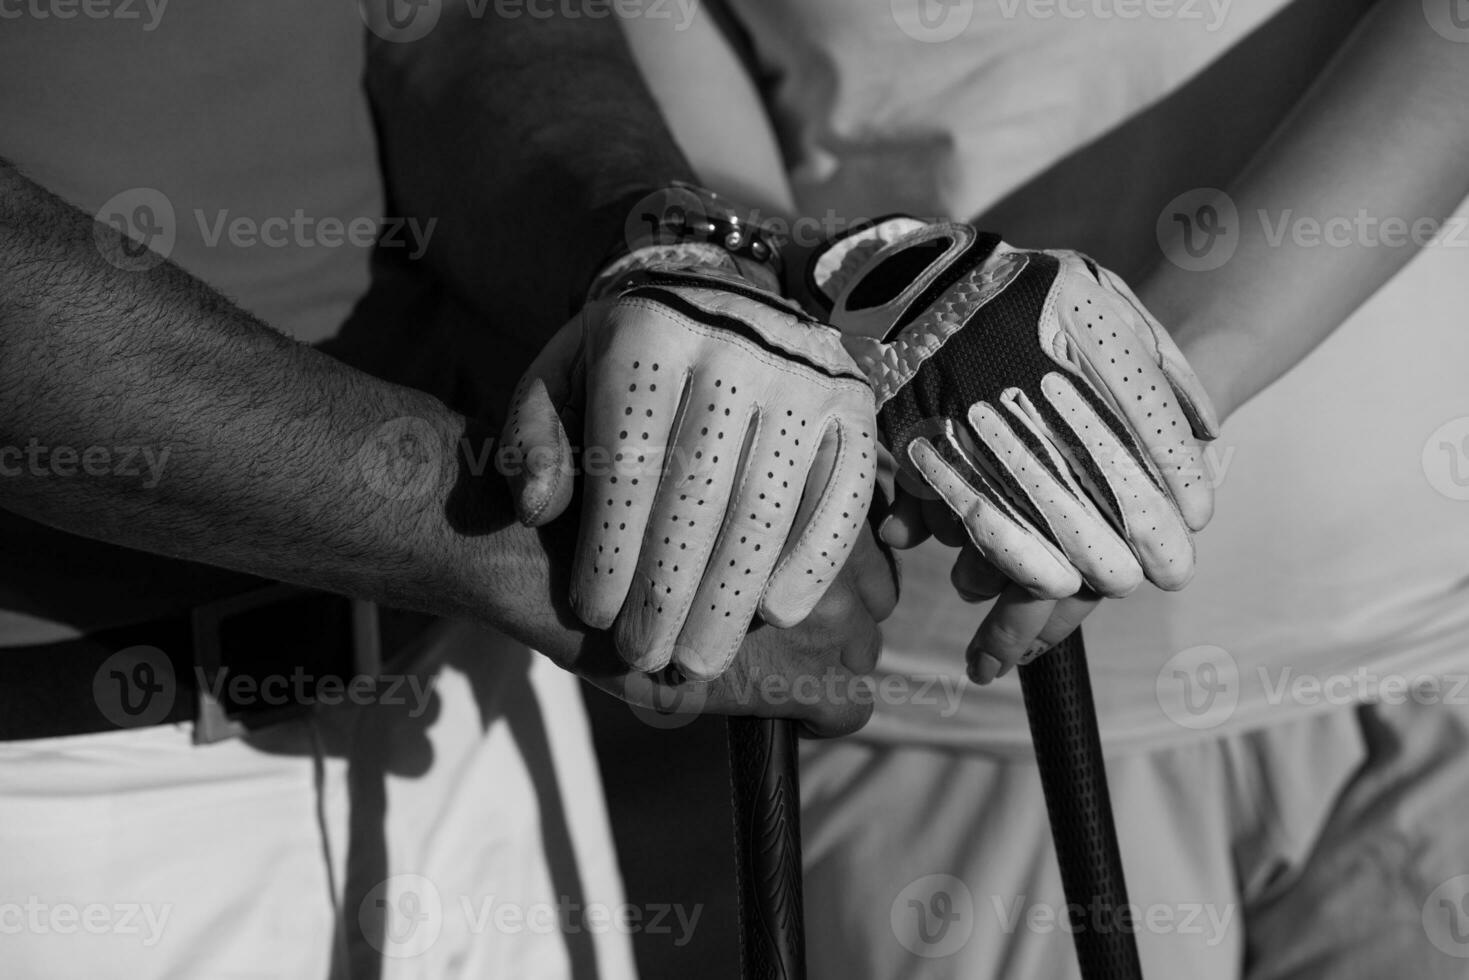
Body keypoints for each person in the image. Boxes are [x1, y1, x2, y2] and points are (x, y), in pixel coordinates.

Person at [0, 3, 898, 976]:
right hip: (55, 803)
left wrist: (659, 269)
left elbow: (471, 27)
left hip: (470, 699)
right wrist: (539, 546)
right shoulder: (523, 557)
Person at [614, 0, 1469, 976]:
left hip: (1419, 641)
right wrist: (833, 284)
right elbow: (682, 108)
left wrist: (1132, 392)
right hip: (960, 697)